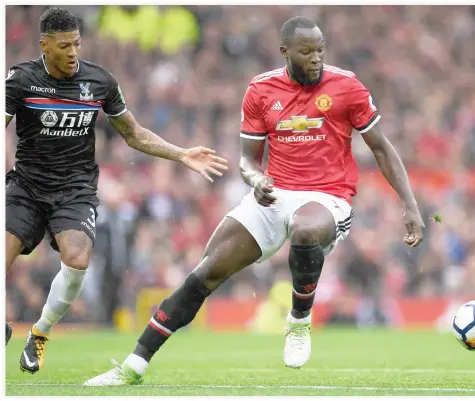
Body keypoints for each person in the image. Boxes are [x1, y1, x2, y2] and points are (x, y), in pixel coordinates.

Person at [84, 16, 424, 386]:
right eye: (307, 51)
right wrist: (255, 177)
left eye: (321, 49)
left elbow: (382, 148)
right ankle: (133, 365)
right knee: (205, 273)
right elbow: (247, 159)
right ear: (285, 51)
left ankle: (298, 322)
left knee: (305, 230)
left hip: (327, 196)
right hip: (272, 194)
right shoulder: (261, 90)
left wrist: (410, 205)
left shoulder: (347, 86)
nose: (316, 58)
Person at [5, 7, 228, 374]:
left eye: (77, 43)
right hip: (26, 186)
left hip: (75, 189)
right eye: (64, 46)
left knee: (77, 260)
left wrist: (180, 153)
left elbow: (134, 134)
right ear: (44, 45)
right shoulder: (20, 80)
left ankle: (40, 333)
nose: (73, 52)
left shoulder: (100, 81)